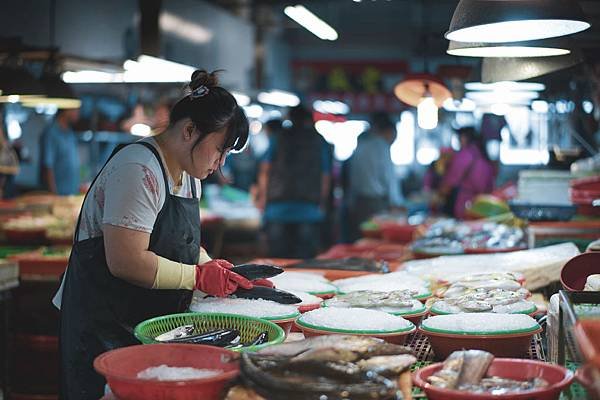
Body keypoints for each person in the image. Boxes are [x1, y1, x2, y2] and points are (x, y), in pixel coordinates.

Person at [53, 70, 260, 399]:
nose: (220, 164)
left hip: (143, 320)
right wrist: (196, 276)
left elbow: (182, 241)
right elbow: (126, 261)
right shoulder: (139, 168)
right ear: (190, 131)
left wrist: (212, 266)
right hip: (101, 327)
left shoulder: (188, 171)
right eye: (220, 150)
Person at [257, 105, 331, 258]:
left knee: (277, 262)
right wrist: (322, 202)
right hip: (308, 209)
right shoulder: (319, 141)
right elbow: (325, 176)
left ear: (289, 118)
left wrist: (263, 199)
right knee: (304, 263)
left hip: (277, 208)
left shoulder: (278, 137)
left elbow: (265, 170)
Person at [346, 112, 404, 242]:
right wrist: (397, 203)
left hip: (359, 202)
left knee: (362, 240)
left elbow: (352, 178)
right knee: (377, 241)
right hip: (376, 204)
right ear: (389, 132)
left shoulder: (361, 146)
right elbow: (389, 178)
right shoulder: (381, 147)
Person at [439, 126, 496, 219]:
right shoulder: (483, 155)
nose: (458, 141)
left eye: (459, 138)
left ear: (465, 138)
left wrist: (438, 197)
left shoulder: (465, 155)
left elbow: (449, 183)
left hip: (466, 206)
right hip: (485, 207)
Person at [41, 108, 81, 195]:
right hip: (58, 195)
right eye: (76, 110)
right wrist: (54, 195)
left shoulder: (70, 133)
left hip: (72, 193)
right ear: (66, 111)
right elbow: (47, 166)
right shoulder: (51, 132)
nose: (78, 113)